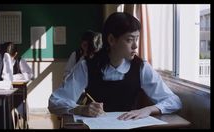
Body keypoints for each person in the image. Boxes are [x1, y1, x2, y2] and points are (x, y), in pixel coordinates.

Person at [48, 12, 182, 120]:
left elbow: (174, 101)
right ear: (111, 40)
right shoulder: (87, 66)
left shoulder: (141, 67)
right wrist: (80, 109)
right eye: (129, 40)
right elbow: (55, 102)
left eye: (137, 39)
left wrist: (148, 109)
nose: (135, 45)